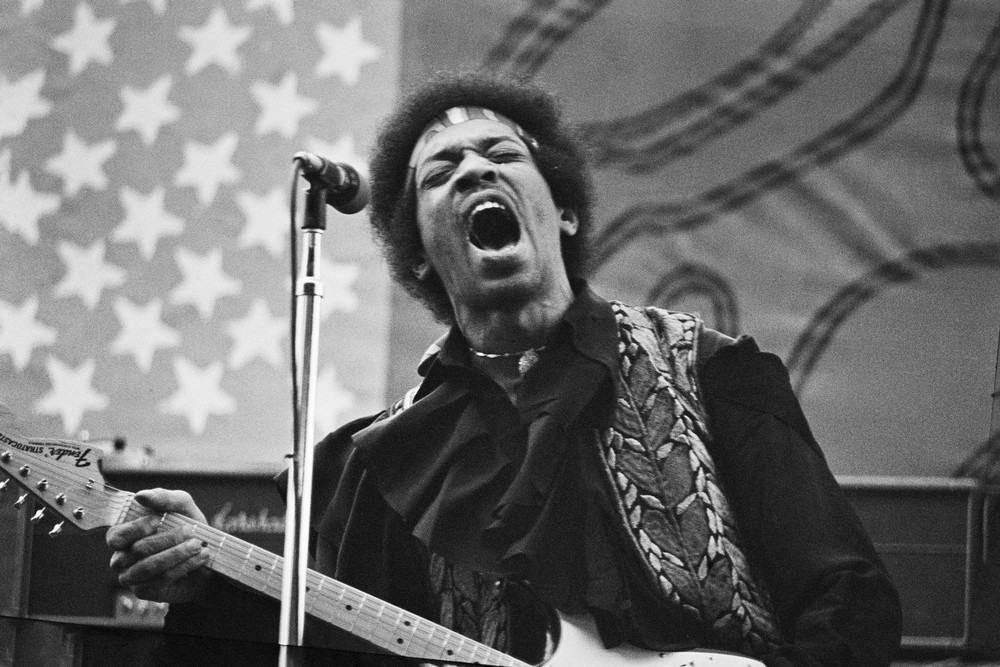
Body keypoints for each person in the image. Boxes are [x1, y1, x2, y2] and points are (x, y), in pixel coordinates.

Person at [106, 71, 902, 666]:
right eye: (441, 171)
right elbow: (323, 645)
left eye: (499, 154)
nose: (475, 171)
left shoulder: (710, 370)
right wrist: (205, 579)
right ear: (418, 250)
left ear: (560, 209)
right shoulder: (369, 467)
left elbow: (850, 602)